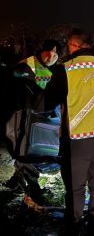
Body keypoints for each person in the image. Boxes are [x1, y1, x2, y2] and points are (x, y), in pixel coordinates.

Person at [43, 29, 94, 233]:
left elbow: (46, 103)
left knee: (75, 186)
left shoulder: (66, 70)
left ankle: (75, 223)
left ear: (74, 45)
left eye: (69, 45)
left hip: (76, 140)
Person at [4, 40, 62, 202]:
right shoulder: (26, 66)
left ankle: (17, 182)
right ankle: (32, 188)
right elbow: (13, 83)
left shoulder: (53, 70)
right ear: (40, 51)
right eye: (48, 52)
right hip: (24, 117)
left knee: (27, 149)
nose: (51, 57)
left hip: (39, 117)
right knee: (26, 148)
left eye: (55, 55)